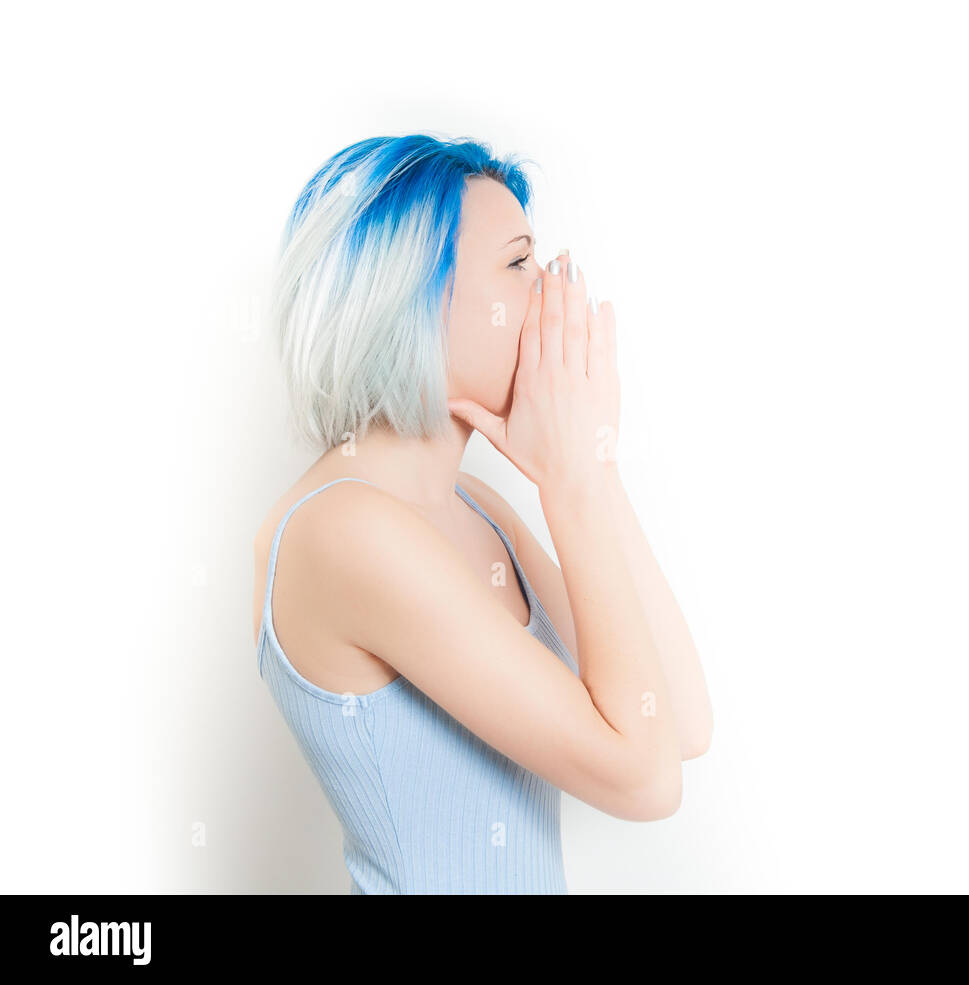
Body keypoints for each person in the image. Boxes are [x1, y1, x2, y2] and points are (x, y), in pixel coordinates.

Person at [251, 133, 712, 893]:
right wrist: (572, 489)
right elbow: (644, 781)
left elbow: (681, 722)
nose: (553, 293)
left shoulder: (477, 507)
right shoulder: (344, 531)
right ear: (411, 295)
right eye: (519, 263)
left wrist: (590, 465)